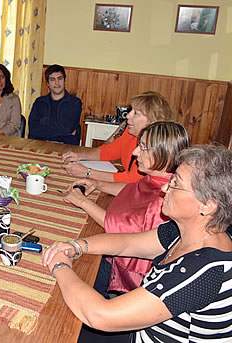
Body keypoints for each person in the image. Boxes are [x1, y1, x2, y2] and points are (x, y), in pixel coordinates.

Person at [41, 144, 232, 342]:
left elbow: (100, 315)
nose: (165, 187)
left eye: (175, 183)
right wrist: (76, 246)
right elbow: (127, 243)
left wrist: (59, 265)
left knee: (53, 327)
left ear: (208, 205)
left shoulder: (203, 270)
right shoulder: (188, 231)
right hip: (142, 332)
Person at [63, 121, 190, 298]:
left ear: (165, 154)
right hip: (117, 254)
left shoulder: (163, 200)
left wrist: (83, 202)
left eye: (143, 148)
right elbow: (135, 190)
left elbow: (118, 233)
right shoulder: (159, 178)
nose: (135, 152)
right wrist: (98, 184)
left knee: (74, 274)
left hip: (127, 278)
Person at [62, 91, 176, 183]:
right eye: (131, 110)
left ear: (152, 121)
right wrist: (80, 156)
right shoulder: (129, 132)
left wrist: (87, 172)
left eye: (136, 113)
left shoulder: (155, 149)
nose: (128, 115)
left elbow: (133, 180)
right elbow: (107, 152)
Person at [28, 64, 82, 145]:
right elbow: (33, 130)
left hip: (66, 147)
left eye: (60, 78)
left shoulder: (75, 103)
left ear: (64, 80)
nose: (57, 83)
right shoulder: (39, 102)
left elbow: (68, 128)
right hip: (41, 145)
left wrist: (44, 121)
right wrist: (65, 133)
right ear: (48, 83)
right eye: (52, 79)